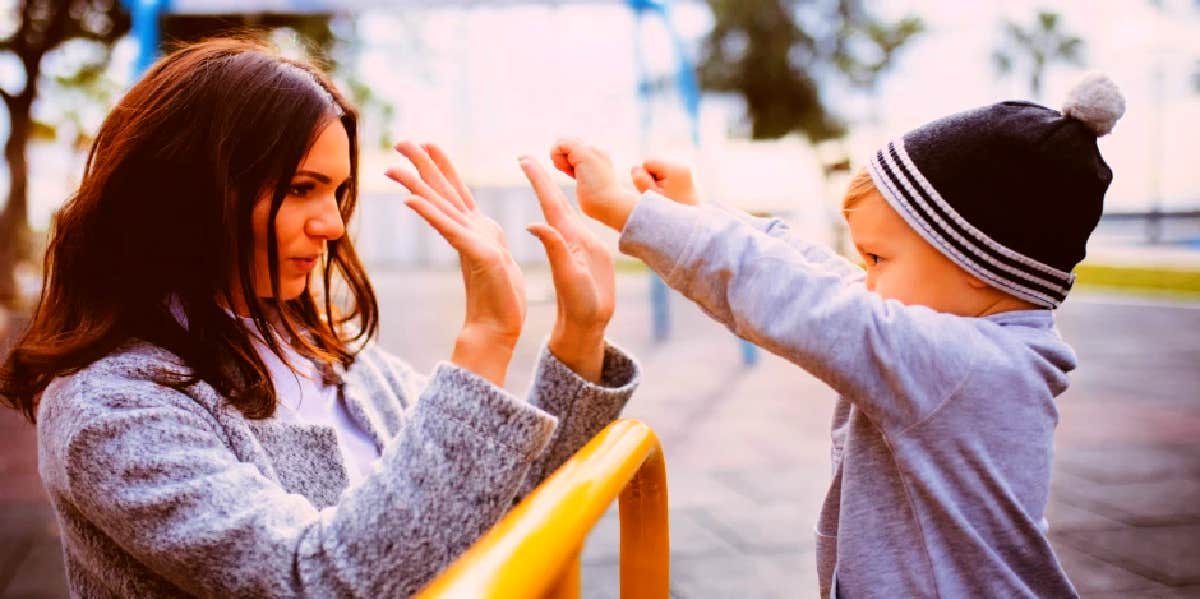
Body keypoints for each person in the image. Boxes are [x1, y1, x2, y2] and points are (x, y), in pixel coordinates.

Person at [0, 38, 639, 597]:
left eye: (336, 192)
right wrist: (486, 340)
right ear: (187, 195)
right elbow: (321, 582)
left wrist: (579, 333)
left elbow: (498, 502)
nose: (332, 224)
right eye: (301, 188)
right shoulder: (110, 409)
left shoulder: (332, 359)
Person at [550, 73, 1126, 597]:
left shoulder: (962, 363)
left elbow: (798, 297)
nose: (865, 278)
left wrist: (632, 214)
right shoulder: (977, 342)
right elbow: (821, 274)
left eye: (878, 257)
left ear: (979, 263)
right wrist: (700, 214)